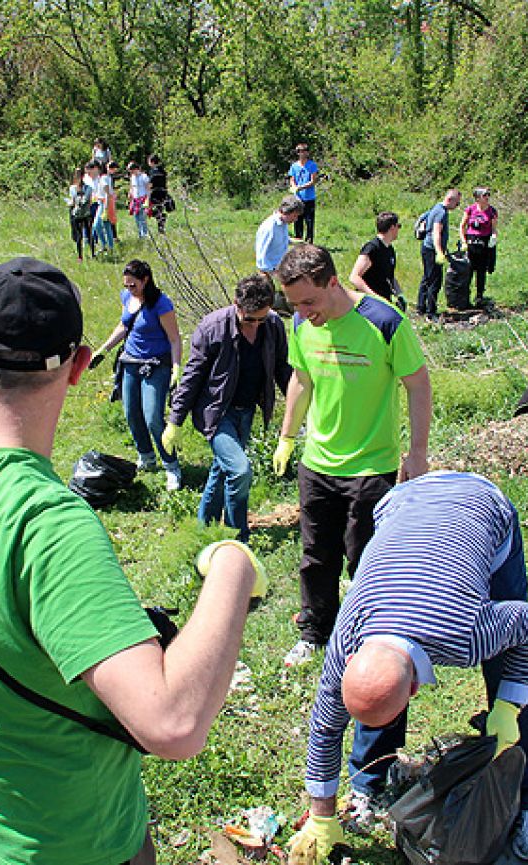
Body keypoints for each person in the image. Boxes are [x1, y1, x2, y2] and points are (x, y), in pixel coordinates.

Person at [0, 256, 266, 865]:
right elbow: (172, 723)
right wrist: (232, 566)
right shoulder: (51, 526)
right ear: (78, 367)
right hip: (76, 839)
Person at [288, 472, 528, 863]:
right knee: (379, 695)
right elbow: (326, 727)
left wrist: (509, 705)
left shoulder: (468, 636)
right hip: (404, 503)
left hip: (482, 507)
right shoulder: (347, 635)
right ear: (349, 663)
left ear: (415, 689)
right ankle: (369, 785)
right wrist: (321, 816)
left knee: (507, 673)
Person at [272, 244, 432, 667]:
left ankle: (371, 636)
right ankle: (315, 632)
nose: (304, 311)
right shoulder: (300, 324)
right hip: (318, 462)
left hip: (371, 465)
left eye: (310, 300)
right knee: (315, 554)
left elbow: (418, 384)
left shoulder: (383, 322)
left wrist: (417, 453)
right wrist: (288, 437)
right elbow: (301, 381)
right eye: (295, 303)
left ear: (332, 282)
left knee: (366, 557)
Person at [165, 275, 293, 541]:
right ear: (236, 304)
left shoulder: (273, 326)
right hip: (216, 412)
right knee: (240, 470)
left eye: (262, 318)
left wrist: (300, 408)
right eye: (250, 320)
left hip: (246, 411)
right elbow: (193, 375)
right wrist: (175, 420)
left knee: (222, 470)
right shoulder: (212, 327)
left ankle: (204, 531)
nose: (256, 325)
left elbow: (283, 370)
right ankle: (238, 539)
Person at [91, 259, 184, 488]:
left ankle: (171, 465)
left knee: (153, 416)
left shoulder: (161, 304)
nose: (129, 289)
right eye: (126, 285)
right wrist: (103, 350)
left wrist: (176, 367)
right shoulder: (127, 298)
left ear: (145, 280)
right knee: (131, 412)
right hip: (130, 362)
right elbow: (124, 326)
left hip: (155, 364)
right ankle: (146, 457)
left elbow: (174, 338)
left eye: (133, 285)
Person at [417, 188, 460, 318]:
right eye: (457, 203)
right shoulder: (441, 212)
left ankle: (421, 308)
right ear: (450, 200)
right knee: (434, 282)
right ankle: (431, 312)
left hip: (427, 248)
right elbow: (436, 233)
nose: (457, 206)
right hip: (431, 250)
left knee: (427, 278)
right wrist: (439, 252)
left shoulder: (437, 207)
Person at [348, 211, 403, 307]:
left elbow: (390, 277)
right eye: (398, 226)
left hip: (385, 302)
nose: (399, 229)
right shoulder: (372, 248)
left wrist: (400, 295)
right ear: (392, 227)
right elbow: (354, 277)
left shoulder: (389, 249)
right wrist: (374, 297)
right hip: (369, 303)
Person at [458, 187, 498, 307]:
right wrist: (463, 241)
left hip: (484, 242)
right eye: (484, 195)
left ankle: (479, 296)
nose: (487, 198)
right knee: (468, 270)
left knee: (482, 271)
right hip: (471, 241)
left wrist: (494, 238)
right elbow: (462, 226)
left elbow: (494, 229)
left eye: (488, 195)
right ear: (478, 198)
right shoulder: (470, 210)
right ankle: (465, 297)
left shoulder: (492, 211)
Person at [255, 195, 304, 276]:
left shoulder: (283, 224)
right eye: (295, 216)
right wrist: (271, 274)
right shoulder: (269, 227)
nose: (296, 219)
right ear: (287, 212)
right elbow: (261, 256)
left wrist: (298, 242)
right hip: (270, 272)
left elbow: (281, 240)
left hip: (281, 268)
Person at [288, 143, 320, 245]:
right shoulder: (294, 166)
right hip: (298, 199)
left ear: (307, 152)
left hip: (309, 198)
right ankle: (299, 242)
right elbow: (292, 179)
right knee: (297, 221)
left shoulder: (312, 165)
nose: (301, 153)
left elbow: (313, 180)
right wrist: (294, 187)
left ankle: (309, 243)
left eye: (303, 151)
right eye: (299, 151)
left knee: (309, 221)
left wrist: (300, 187)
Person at [66, 169, 95, 261]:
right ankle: (81, 256)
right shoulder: (73, 188)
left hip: (85, 214)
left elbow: (86, 200)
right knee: (79, 236)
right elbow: (74, 201)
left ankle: (92, 253)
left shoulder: (88, 188)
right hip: (78, 214)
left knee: (88, 234)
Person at [89, 162, 115, 256]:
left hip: (104, 204)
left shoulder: (103, 178)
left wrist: (106, 209)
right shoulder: (102, 178)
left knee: (97, 225)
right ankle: (109, 247)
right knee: (106, 226)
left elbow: (107, 193)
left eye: (91, 169)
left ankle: (105, 245)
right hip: (101, 202)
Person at [147, 154, 171, 233]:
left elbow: (151, 183)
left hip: (155, 193)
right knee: (159, 209)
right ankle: (161, 228)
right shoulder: (162, 170)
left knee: (150, 211)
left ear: (152, 162)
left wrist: (147, 191)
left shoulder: (153, 171)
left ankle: (162, 221)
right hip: (163, 192)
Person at [128, 162, 150, 238]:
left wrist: (147, 199)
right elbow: (131, 187)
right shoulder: (132, 177)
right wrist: (130, 195)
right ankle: (140, 234)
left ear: (136, 169)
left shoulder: (144, 176)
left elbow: (148, 188)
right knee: (136, 217)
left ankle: (145, 234)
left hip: (142, 198)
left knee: (142, 217)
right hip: (135, 199)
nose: (131, 172)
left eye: (132, 170)